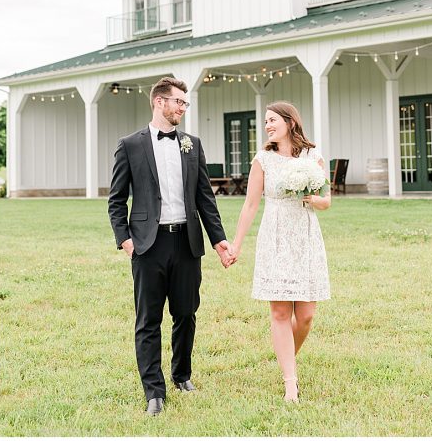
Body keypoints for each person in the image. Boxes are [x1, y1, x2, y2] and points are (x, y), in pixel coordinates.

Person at [107, 76, 234, 416]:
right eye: (178, 101)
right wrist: (126, 240)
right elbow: (116, 200)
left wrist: (219, 239)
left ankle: (182, 375)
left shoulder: (192, 144)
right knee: (148, 319)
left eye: (184, 103)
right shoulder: (130, 145)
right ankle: (154, 391)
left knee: (186, 314)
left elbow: (205, 197)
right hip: (148, 245)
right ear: (159, 102)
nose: (182, 108)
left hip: (186, 243)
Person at [228, 101, 331, 403]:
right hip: (274, 235)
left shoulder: (313, 156)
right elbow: (250, 204)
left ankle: (287, 356)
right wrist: (236, 244)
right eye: (266, 122)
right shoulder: (263, 159)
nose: (268, 126)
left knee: (307, 315)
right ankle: (290, 383)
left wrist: (311, 195)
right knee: (280, 311)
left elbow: (327, 201)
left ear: (290, 122)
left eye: (273, 120)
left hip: (305, 235)